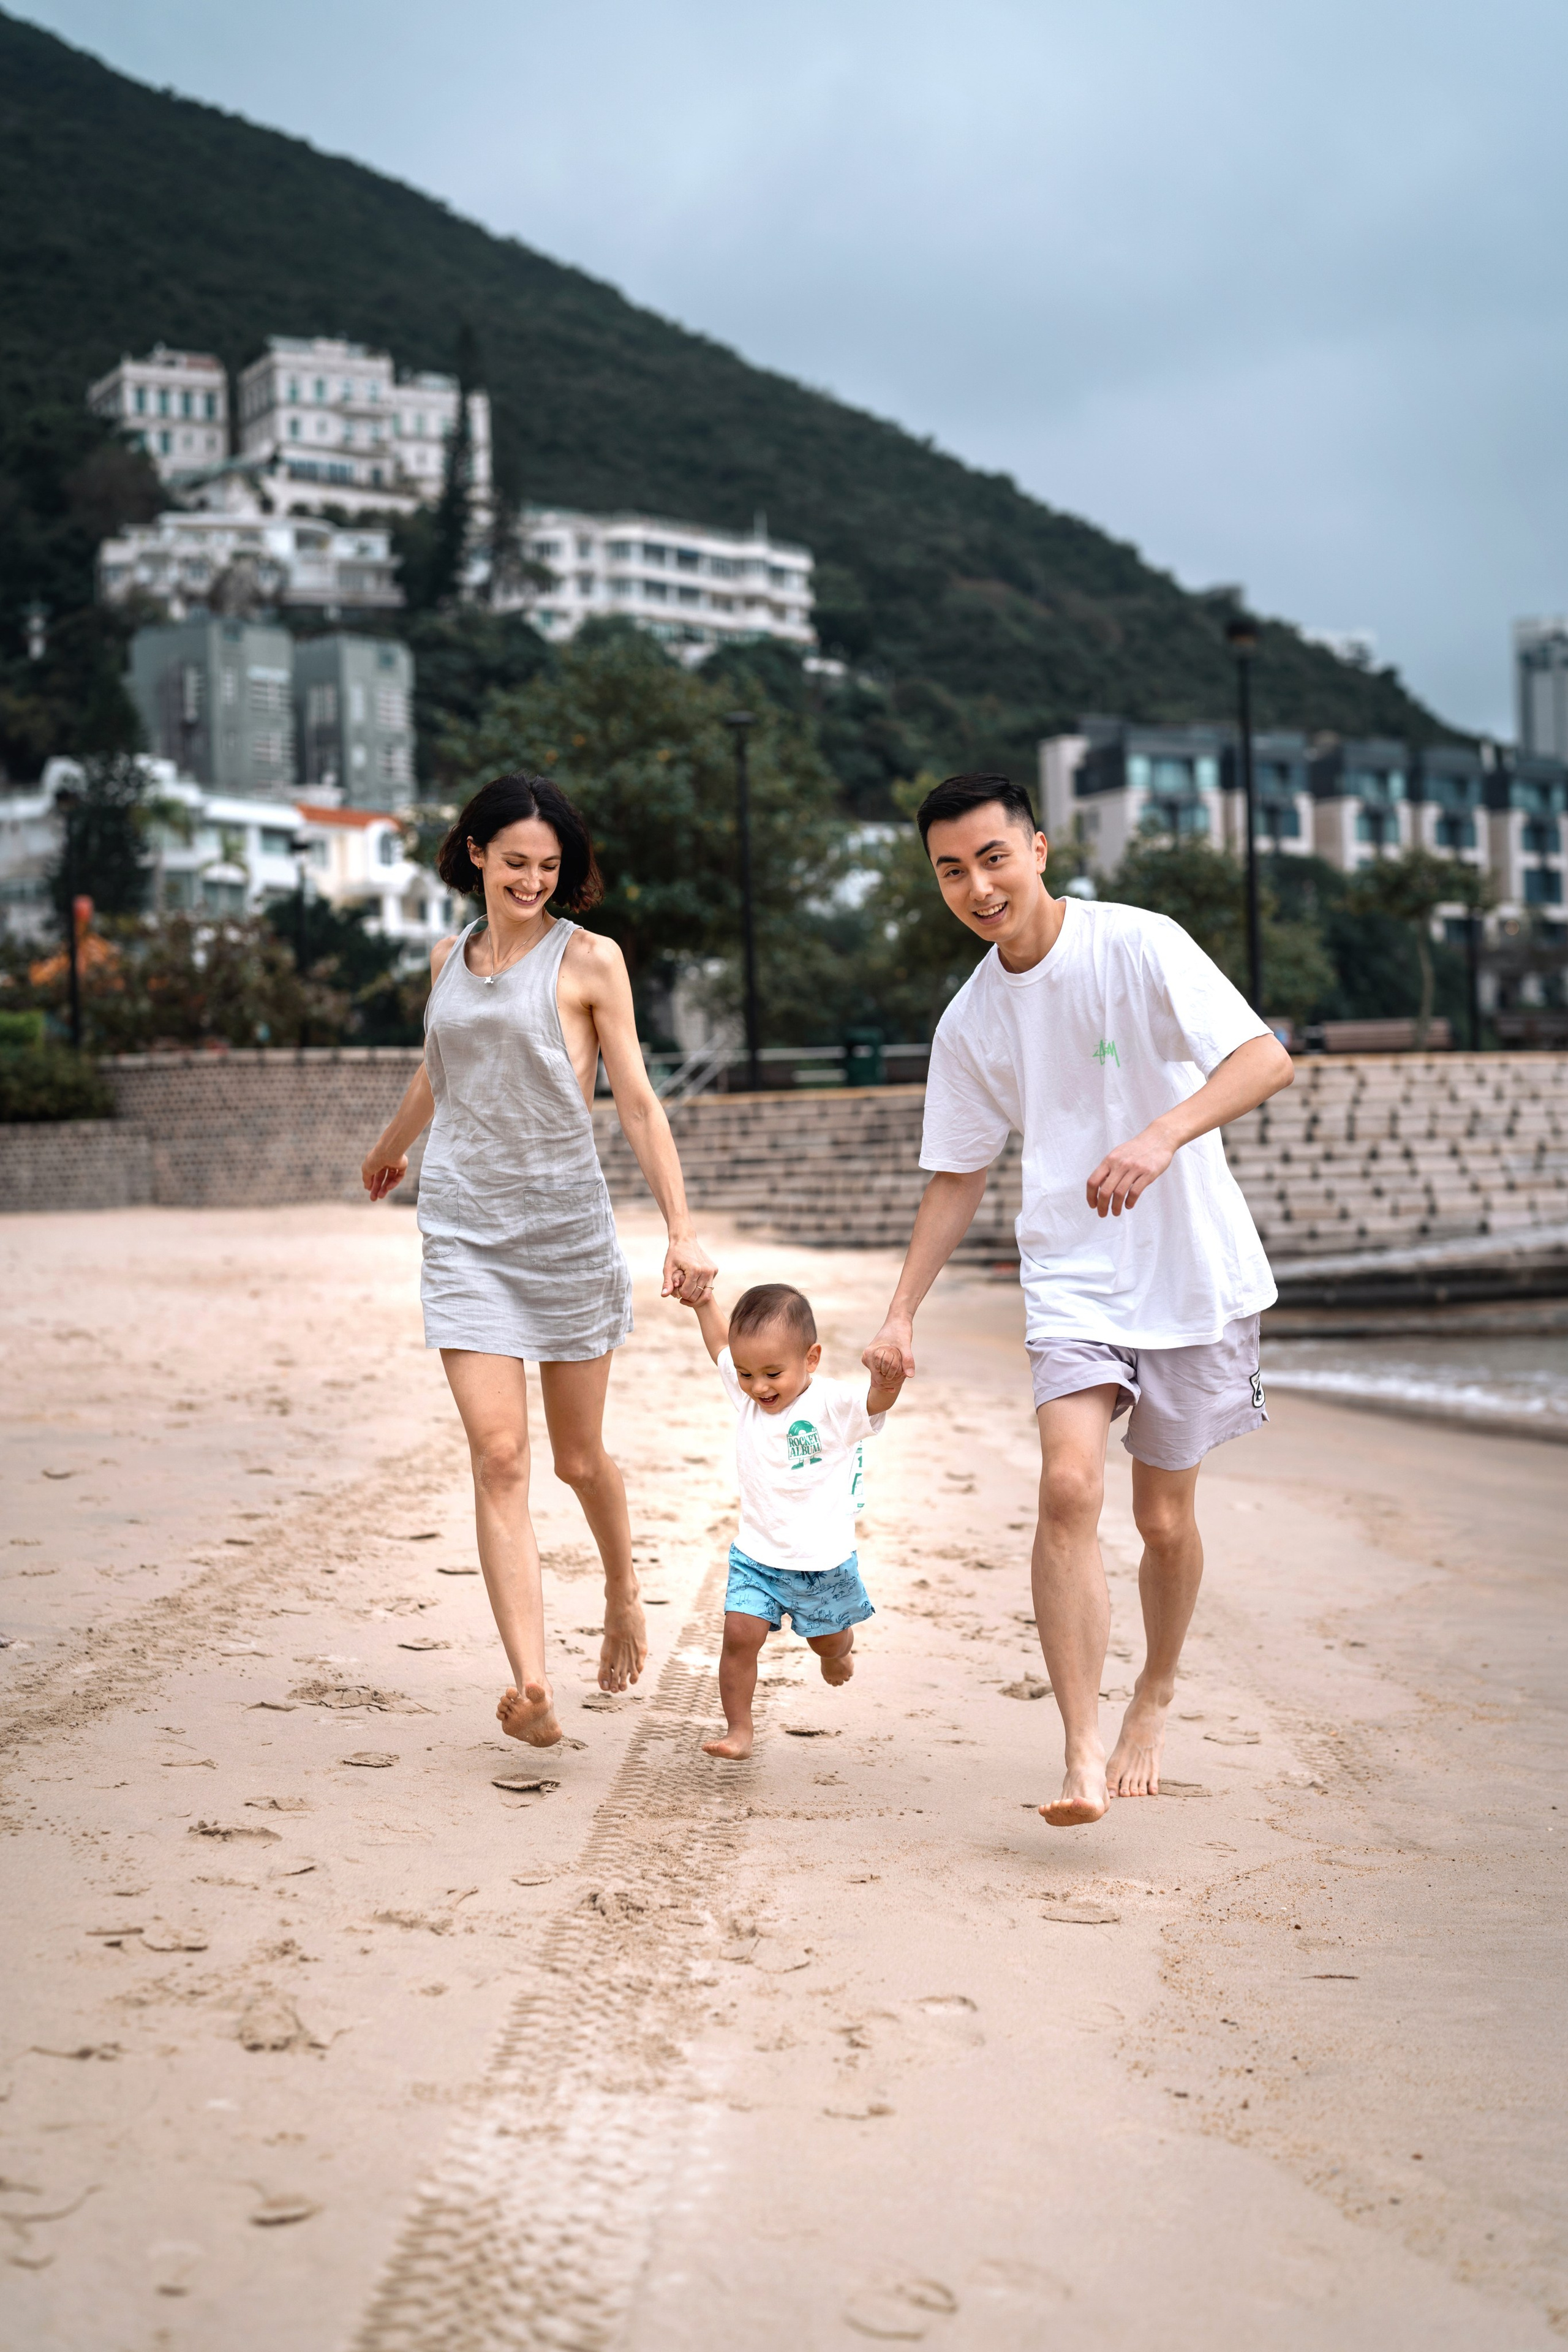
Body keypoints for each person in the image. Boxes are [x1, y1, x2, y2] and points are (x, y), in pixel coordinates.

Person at [861, 772, 1294, 1827]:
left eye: (992, 858)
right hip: (1073, 1274)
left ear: (1040, 850)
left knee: (1164, 1518)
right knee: (1067, 1489)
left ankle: (1156, 1689)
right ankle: (1081, 1750)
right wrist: (901, 1309)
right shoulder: (969, 1023)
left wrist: (1161, 1134)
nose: (977, 886)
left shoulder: (1140, 944)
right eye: (951, 871)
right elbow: (958, 1173)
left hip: (1191, 1269)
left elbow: (1265, 1058)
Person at [360, 772, 717, 1749]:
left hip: (564, 1234)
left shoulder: (591, 959)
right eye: (515, 862)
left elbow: (637, 1102)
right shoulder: (448, 958)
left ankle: (621, 1586)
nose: (532, 881)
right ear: (475, 853)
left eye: (549, 866)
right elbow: (439, 1068)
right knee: (500, 1455)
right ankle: (531, 1683)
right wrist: (394, 1144)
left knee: (575, 1458)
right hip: (466, 1231)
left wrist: (680, 1229)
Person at [678, 1280, 905, 1760]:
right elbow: (721, 1345)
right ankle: (740, 1729)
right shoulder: (748, 1397)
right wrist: (704, 1303)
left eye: (772, 1373)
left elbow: (874, 1406)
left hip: (822, 1564)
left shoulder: (831, 1404)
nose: (758, 1387)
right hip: (757, 1556)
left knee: (826, 1643)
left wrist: (888, 1383)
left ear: (812, 1359)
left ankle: (839, 1650)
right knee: (739, 1636)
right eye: (746, 1374)